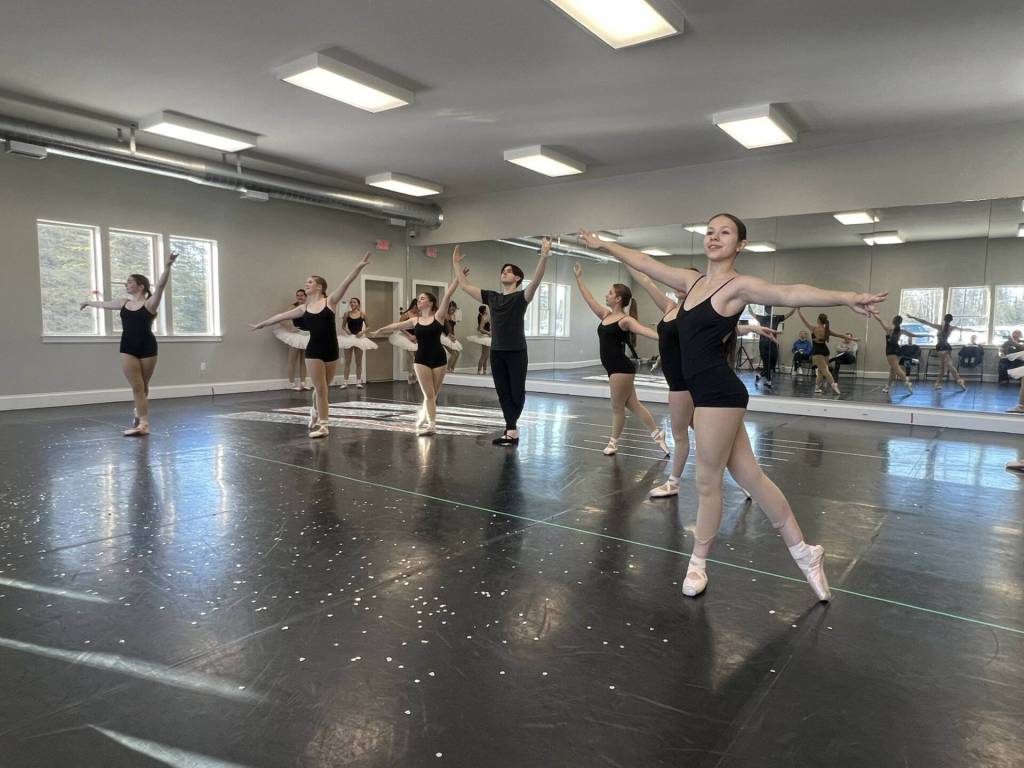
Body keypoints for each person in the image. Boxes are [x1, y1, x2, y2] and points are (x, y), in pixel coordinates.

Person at [580, 215, 886, 602]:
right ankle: (805, 552)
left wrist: (846, 298)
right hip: (706, 393)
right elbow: (645, 263)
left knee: (707, 480)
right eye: (710, 231)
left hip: (717, 393)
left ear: (740, 244)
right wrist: (605, 245)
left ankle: (698, 564)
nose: (714, 237)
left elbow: (790, 293)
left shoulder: (737, 287)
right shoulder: (690, 283)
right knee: (752, 478)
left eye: (724, 233)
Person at [627, 265, 777, 498]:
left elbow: (728, 326)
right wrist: (623, 255)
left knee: (680, 435)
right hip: (681, 382)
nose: (679, 284)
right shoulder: (669, 308)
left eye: (685, 282)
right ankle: (745, 482)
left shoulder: (698, 312)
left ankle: (674, 482)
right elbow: (646, 281)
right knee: (715, 441)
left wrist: (753, 328)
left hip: (683, 383)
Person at [250, 253, 371, 438]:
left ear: (319, 286)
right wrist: (262, 324)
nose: (306, 284)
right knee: (321, 389)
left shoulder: (330, 302)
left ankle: (314, 411)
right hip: (313, 351)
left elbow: (346, 282)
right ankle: (324, 426)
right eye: (306, 282)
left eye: (309, 282)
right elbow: (280, 316)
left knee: (322, 388)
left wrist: (359, 267)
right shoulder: (303, 308)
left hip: (331, 350)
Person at [455, 237, 551, 445]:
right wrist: (455, 263)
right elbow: (464, 285)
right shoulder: (491, 297)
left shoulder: (521, 297)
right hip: (497, 351)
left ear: (517, 278)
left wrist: (543, 256)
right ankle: (511, 429)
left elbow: (536, 281)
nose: (504, 272)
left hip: (516, 351)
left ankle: (511, 425)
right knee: (502, 391)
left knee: (517, 390)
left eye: (508, 270)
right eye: (503, 270)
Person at [572, 262, 670, 457]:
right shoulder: (605, 315)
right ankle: (657, 434)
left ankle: (613, 443)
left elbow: (645, 331)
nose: (606, 295)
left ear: (617, 299)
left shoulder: (625, 320)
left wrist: (666, 336)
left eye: (609, 293)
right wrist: (579, 278)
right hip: (615, 369)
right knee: (633, 405)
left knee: (617, 407)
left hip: (620, 368)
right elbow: (589, 297)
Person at [80, 253, 178, 436]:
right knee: (137, 387)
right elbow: (104, 304)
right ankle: (144, 424)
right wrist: (88, 302)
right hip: (128, 347)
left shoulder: (150, 304)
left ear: (140, 286)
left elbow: (161, 287)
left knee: (144, 386)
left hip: (148, 347)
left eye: (130, 282)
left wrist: (168, 266)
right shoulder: (124, 303)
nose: (127, 284)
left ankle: (139, 414)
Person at [371, 261, 463, 435]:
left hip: (439, 359)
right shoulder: (414, 321)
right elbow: (396, 326)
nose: (418, 300)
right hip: (421, 359)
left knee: (434, 394)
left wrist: (458, 277)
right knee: (428, 395)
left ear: (430, 302)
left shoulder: (439, 316)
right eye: (418, 298)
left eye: (422, 298)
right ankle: (432, 425)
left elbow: (448, 295)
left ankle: (424, 415)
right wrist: (380, 329)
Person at [796, 309, 856, 396]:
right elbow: (841, 335)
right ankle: (817, 387)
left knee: (824, 370)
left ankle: (833, 384)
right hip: (825, 351)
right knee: (820, 371)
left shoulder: (814, 328)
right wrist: (853, 339)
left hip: (817, 351)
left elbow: (803, 320)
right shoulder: (827, 330)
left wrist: (798, 311)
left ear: (818, 320)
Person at [907, 313, 973, 391]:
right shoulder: (951, 328)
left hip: (940, 348)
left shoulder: (939, 327)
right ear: (951, 320)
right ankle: (959, 381)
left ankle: (938, 383)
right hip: (944, 348)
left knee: (944, 368)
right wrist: (977, 331)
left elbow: (925, 322)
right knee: (949, 366)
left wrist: (913, 317)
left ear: (944, 319)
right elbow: (964, 329)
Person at [873, 314, 923, 395]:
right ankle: (888, 387)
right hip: (898, 351)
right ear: (900, 323)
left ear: (893, 321)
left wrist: (876, 315)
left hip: (890, 351)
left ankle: (907, 382)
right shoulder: (901, 331)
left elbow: (880, 320)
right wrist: (926, 335)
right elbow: (913, 335)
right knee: (893, 370)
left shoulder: (889, 329)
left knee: (896, 369)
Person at [754, 306, 794, 390]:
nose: (769, 310)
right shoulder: (762, 318)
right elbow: (752, 313)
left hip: (772, 343)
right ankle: (768, 382)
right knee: (767, 364)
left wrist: (795, 308)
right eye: (768, 309)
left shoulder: (776, 318)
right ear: (766, 310)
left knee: (772, 363)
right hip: (763, 343)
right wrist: (747, 304)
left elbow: (788, 315)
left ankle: (760, 376)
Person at [340, 297, 374, 389]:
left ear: (358, 304)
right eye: (351, 302)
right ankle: (345, 382)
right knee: (347, 361)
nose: (352, 303)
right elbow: (343, 326)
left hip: (359, 339)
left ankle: (358, 382)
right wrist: (347, 331)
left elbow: (368, 327)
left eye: (354, 302)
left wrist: (362, 332)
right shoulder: (347, 314)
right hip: (349, 339)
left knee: (358, 361)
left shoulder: (362, 314)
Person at [285, 289, 311, 391]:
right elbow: (283, 318)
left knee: (304, 361)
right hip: (296, 336)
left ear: (305, 296)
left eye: (301, 295)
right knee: (292, 360)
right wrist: (290, 327)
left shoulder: (309, 307)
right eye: (298, 296)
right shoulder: (293, 307)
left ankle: (303, 383)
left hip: (307, 335)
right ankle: (291, 383)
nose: (299, 297)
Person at [466, 305, 492, 374]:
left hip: (485, 336)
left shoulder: (482, 317)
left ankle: (484, 370)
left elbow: (478, 328)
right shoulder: (483, 317)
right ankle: (479, 371)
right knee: (484, 355)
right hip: (485, 337)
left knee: (486, 355)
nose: (487, 310)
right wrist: (489, 333)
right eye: (486, 309)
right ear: (484, 310)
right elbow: (480, 329)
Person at [442, 301, 463, 372]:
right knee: (454, 353)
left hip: (450, 335)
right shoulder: (444, 315)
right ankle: (448, 370)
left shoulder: (452, 316)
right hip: (444, 335)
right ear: (448, 308)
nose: (453, 311)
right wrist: (450, 336)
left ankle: (452, 369)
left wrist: (453, 336)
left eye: (454, 310)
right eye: (452, 309)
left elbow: (451, 328)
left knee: (458, 353)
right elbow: (444, 328)